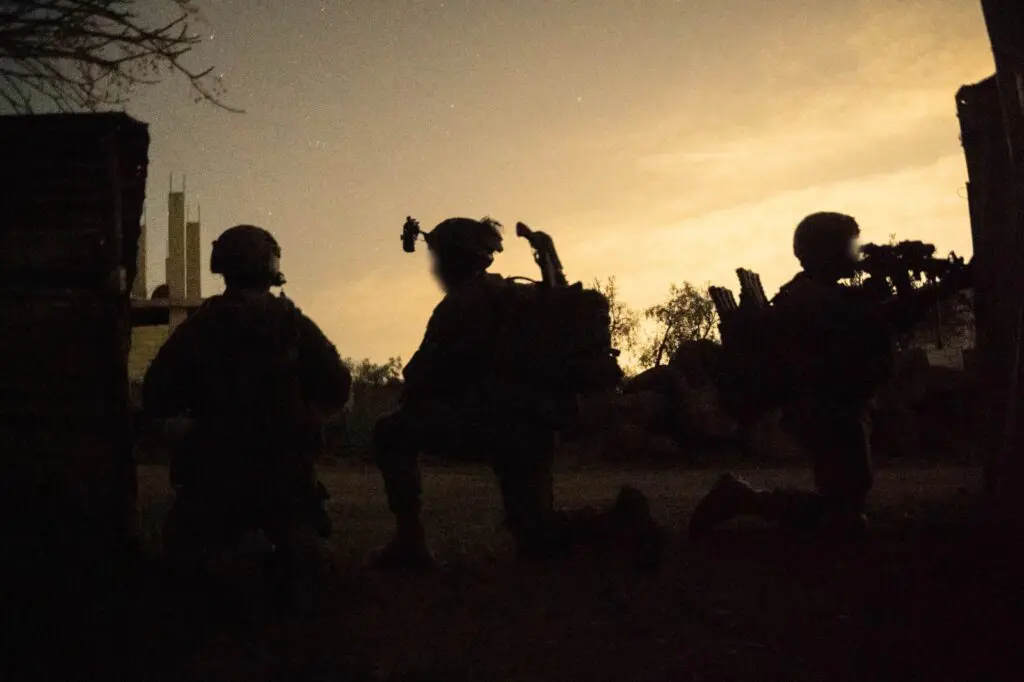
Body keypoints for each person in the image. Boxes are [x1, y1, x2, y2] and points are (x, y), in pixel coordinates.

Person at [371, 217, 662, 570]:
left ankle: (409, 542)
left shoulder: (460, 305)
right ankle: (620, 519)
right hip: (534, 429)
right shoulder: (519, 295)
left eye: (438, 259)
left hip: (488, 426)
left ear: (453, 260)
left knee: (390, 431)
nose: (434, 269)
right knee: (535, 533)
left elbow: (420, 373)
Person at [688, 212, 967, 540]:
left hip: (838, 406)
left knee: (849, 498)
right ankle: (741, 498)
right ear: (826, 253)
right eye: (849, 247)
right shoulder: (811, 297)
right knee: (846, 506)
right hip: (827, 409)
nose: (856, 255)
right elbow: (871, 327)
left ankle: (745, 499)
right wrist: (915, 290)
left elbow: (881, 320)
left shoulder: (821, 293)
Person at [143, 224, 350, 607]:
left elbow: (156, 393)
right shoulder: (294, 324)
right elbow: (337, 386)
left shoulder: (202, 327)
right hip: (286, 476)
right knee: (301, 541)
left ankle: (241, 557)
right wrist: (305, 422)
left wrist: (187, 429)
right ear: (271, 266)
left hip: (215, 473)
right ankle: (292, 551)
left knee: (188, 555)